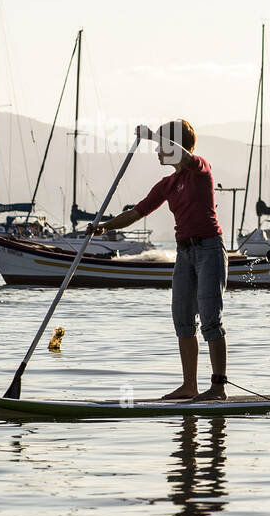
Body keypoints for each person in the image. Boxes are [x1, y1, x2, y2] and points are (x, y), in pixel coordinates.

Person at [91, 121, 228, 401]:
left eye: (161, 145)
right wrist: (104, 226)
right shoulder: (166, 184)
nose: (156, 150)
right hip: (185, 254)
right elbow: (136, 213)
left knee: (211, 322)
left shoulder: (199, 169)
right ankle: (189, 385)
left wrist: (154, 135)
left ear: (174, 146)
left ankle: (218, 387)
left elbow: (185, 155)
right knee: (183, 320)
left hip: (208, 250)